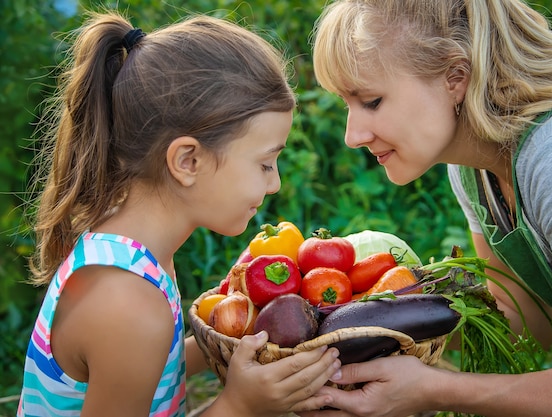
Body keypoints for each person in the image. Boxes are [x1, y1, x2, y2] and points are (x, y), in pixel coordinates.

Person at [304, 0, 552, 416]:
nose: (353, 134)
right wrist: (369, 326)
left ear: (455, 78)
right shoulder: (475, 167)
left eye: (372, 101)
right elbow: (525, 321)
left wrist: (438, 389)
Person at [17, 10, 341, 417]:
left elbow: (148, 370)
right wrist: (240, 406)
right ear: (188, 161)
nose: (274, 183)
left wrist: (228, 345)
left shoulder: (134, 252)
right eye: (264, 163)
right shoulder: (126, 301)